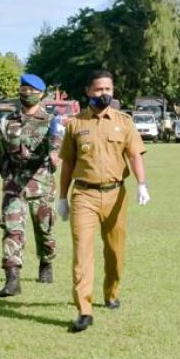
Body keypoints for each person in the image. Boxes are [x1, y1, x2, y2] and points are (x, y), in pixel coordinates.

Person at [56, 70, 150, 333]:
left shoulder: (123, 122)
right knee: (82, 253)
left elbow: (134, 155)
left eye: (108, 89)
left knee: (115, 253)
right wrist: (62, 197)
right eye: (98, 90)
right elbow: (68, 163)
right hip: (84, 195)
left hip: (115, 194)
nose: (104, 94)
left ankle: (111, 291)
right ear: (88, 91)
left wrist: (142, 184)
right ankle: (84, 310)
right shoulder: (75, 124)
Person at [0, 74, 62, 297]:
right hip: (14, 186)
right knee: (12, 230)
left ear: (41, 94)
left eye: (31, 90)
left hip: (41, 186)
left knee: (45, 231)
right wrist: (8, 180)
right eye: (23, 89)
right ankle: (12, 279)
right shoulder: (8, 121)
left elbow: (56, 147)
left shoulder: (52, 121)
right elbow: (3, 156)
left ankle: (46, 261)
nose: (26, 93)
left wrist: (55, 157)